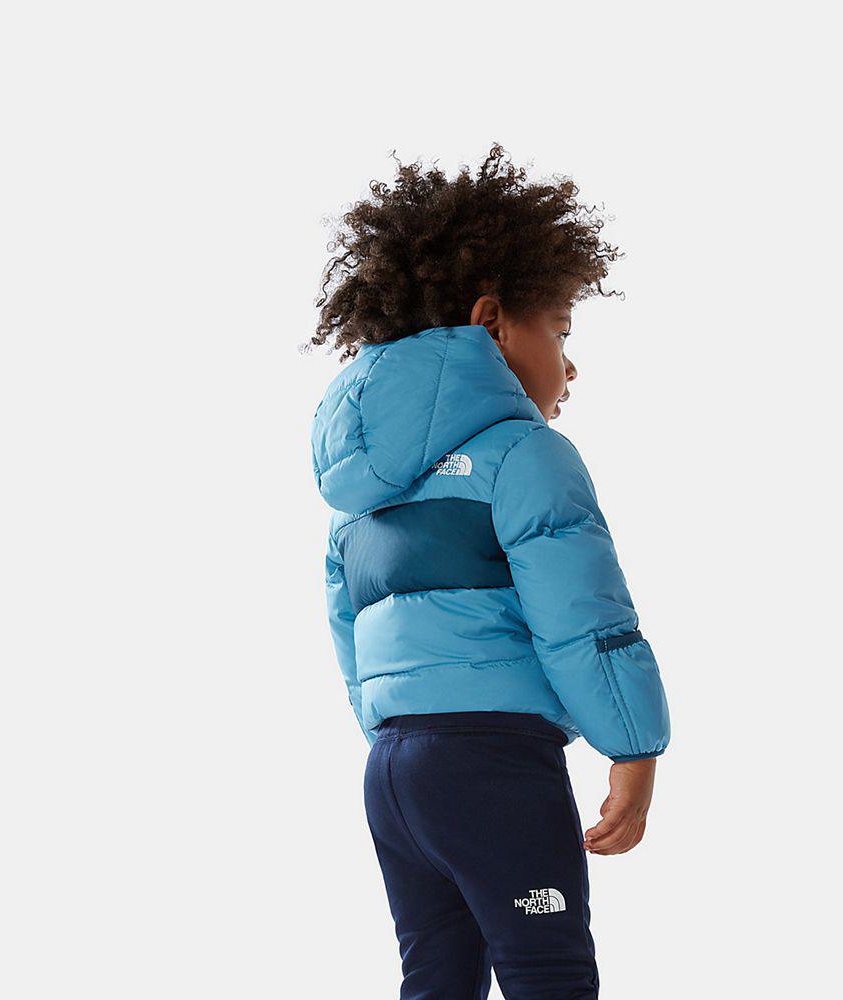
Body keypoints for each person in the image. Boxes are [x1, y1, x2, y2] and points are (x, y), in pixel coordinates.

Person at [308, 145, 671, 999]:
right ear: (493, 324)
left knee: (437, 981)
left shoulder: (363, 492)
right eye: (561, 331)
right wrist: (634, 747)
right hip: (496, 766)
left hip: (394, 773)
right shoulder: (526, 455)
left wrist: (407, 741)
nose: (569, 365)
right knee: (550, 975)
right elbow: (583, 616)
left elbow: (350, 639)